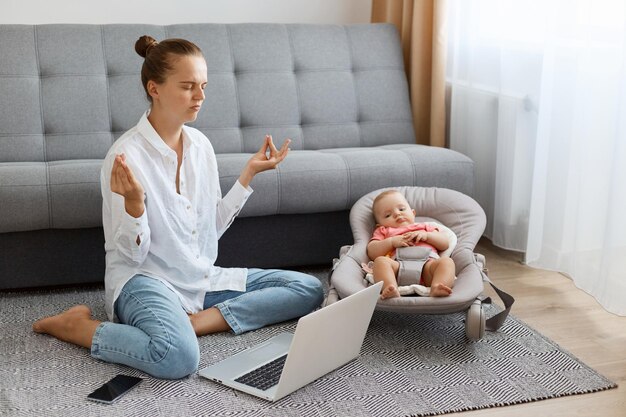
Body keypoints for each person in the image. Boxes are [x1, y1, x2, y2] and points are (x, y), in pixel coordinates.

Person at [32, 36, 324, 379]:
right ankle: (76, 326)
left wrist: (247, 176)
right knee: (178, 358)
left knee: (308, 289)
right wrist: (134, 205)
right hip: (145, 281)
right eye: (187, 87)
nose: (200, 97)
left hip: (197, 277)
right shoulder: (125, 157)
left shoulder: (201, 146)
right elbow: (130, 256)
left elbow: (207, 230)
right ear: (154, 88)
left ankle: (198, 322)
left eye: (202, 86)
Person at [367, 190, 455, 299]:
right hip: (398, 268)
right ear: (380, 224)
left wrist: (427, 236)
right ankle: (390, 287)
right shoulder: (384, 231)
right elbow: (372, 251)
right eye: (388, 215)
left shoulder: (426, 227)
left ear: (413, 213)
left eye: (402, 209)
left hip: (427, 267)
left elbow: (445, 243)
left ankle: (437, 286)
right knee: (380, 262)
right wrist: (391, 242)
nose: (397, 213)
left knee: (447, 262)